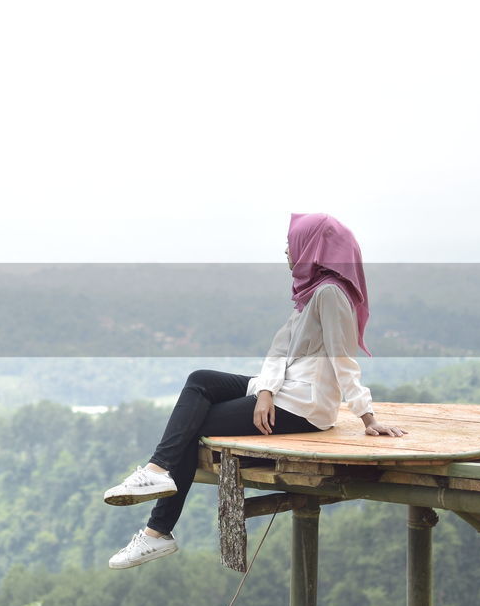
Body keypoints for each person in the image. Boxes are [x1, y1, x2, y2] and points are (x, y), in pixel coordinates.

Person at [102, 212, 407, 569]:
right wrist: (264, 391)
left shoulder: (330, 295)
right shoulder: (311, 293)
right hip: (283, 391)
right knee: (201, 379)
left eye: (292, 244)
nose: (287, 252)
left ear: (313, 247)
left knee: (194, 425)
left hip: (302, 405)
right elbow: (280, 349)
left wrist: (367, 417)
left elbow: (344, 362)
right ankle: (157, 470)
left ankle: (157, 533)